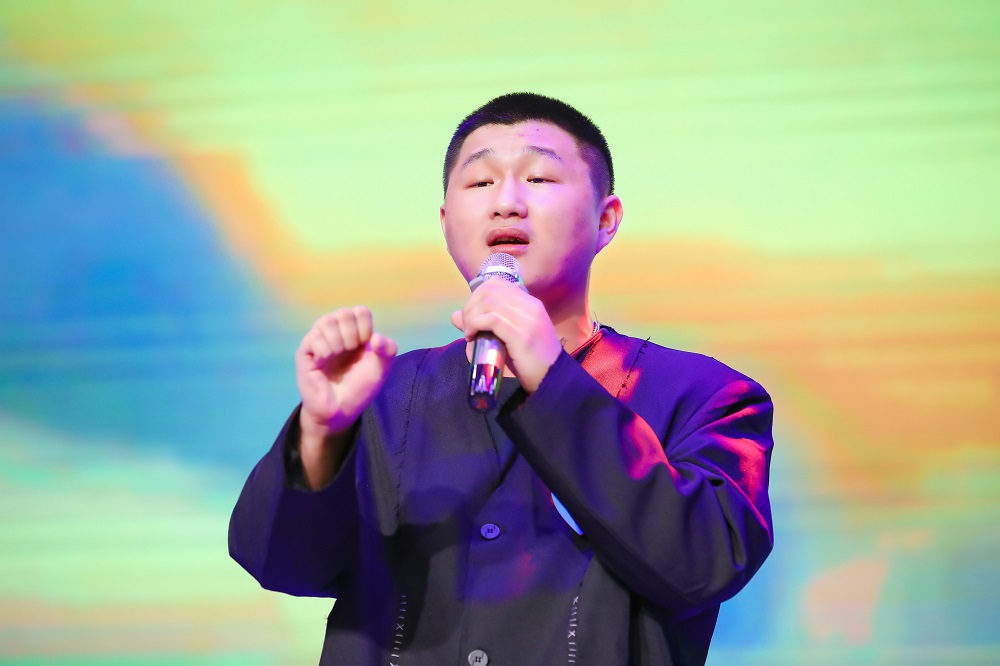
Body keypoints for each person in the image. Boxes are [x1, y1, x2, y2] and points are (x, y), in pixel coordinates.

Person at [229, 92, 774, 665]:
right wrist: (320, 435)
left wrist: (553, 380)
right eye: (480, 182)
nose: (506, 203)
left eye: (539, 178)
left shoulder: (703, 395)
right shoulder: (384, 391)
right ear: (446, 222)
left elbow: (702, 565)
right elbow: (281, 564)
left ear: (606, 219)